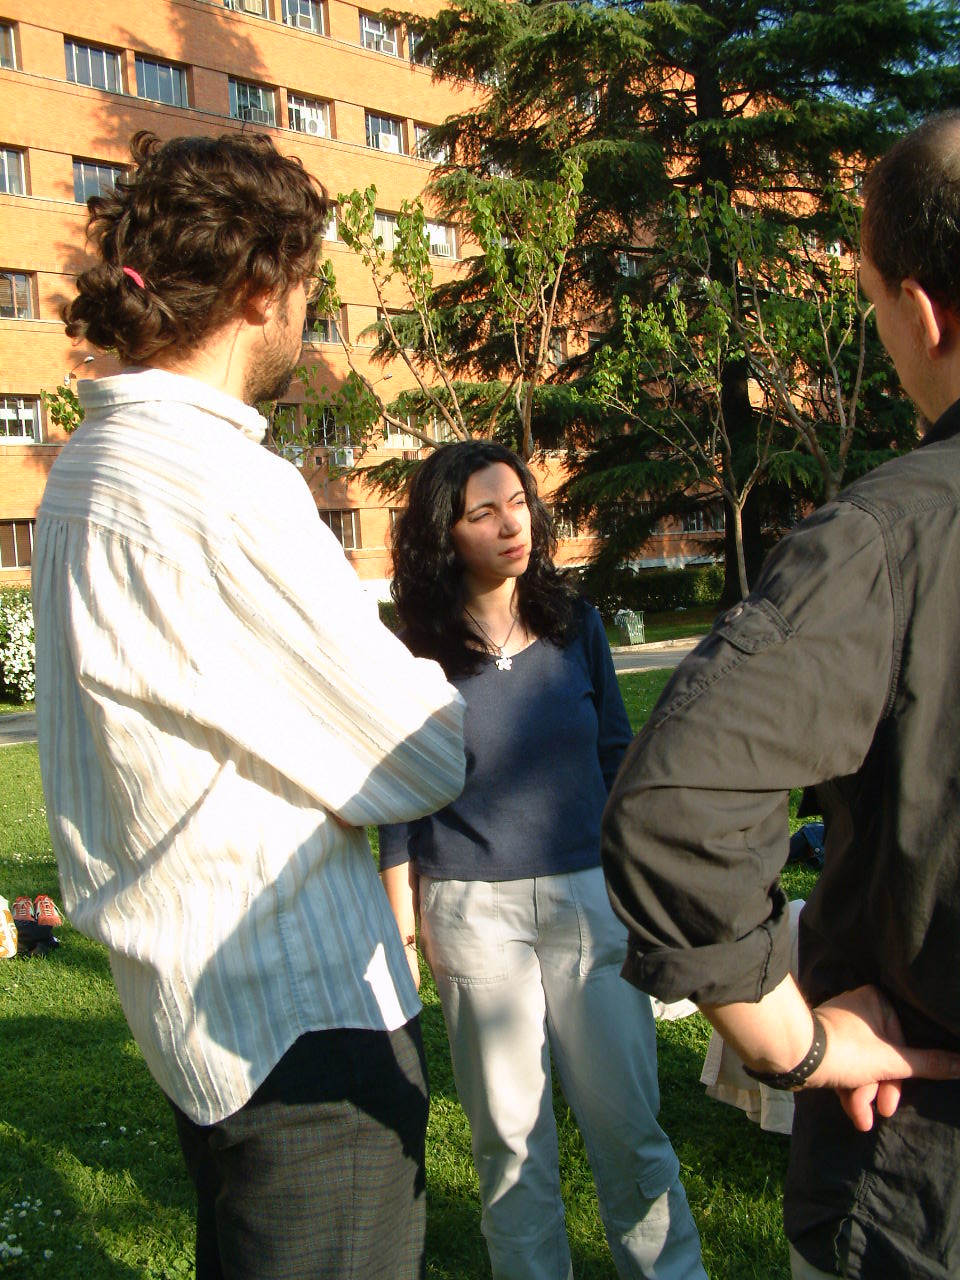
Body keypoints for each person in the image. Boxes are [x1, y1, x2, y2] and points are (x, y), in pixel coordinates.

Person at [32, 130, 466, 1280]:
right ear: (260, 285)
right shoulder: (222, 485)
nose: (307, 317)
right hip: (301, 1023)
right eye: (310, 286)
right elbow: (422, 755)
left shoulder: (88, 463)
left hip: (198, 1010)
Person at [601, 112, 960, 1280]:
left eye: (869, 300)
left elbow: (678, 806)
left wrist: (795, 1046)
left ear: (923, 310)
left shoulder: (889, 539)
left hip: (922, 1171)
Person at [379, 440, 706, 1280]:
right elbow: (396, 796)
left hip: (591, 900)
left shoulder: (576, 623)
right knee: (511, 1147)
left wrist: (639, 880)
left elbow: (615, 754)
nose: (510, 524)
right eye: (483, 512)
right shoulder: (413, 650)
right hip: (471, 913)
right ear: (445, 533)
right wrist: (401, 926)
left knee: (630, 1130)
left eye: (517, 503)